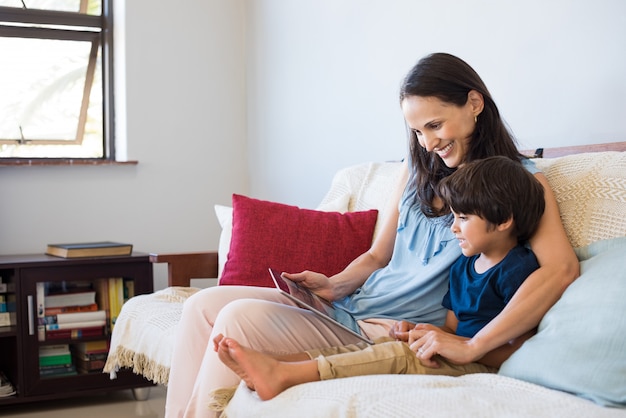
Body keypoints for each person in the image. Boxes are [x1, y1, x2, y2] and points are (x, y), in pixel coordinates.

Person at [165, 53, 579, 418]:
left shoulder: (519, 186)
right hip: (353, 307)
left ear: (474, 103)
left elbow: (560, 270)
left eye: (435, 125)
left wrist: (474, 345)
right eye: (417, 131)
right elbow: (378, 257)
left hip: (396, 328)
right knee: (201, 306)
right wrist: (332, 284)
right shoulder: (415, 169)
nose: (429, 142)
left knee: (238, 317)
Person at [214, 155, 546, 401]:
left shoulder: (518, 269)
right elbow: (450, 328)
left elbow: (522, 345)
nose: (454, 227)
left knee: (396, 356)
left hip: (480, 363)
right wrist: (419, 333)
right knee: (392, 345)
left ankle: (281, 372)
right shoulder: (462, 267)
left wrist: (466, 349)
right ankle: (273, 363)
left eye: (463, 217)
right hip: (454, 352)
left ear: (503, 220)